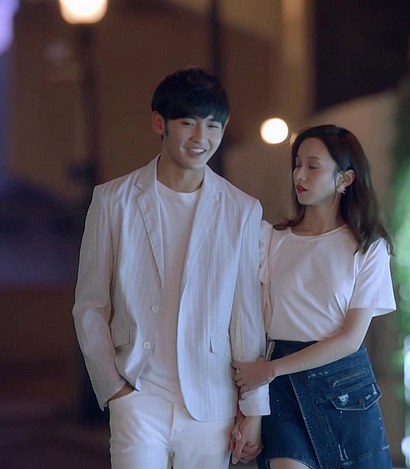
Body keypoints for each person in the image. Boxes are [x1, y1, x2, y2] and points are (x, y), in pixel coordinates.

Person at [72, 67, 268, 469]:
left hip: (211, 400)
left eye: (213, 125)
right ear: (159, 123)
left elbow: (246, 316)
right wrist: (114, 389)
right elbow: (90, 305)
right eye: (188, 123)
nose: (201, 137)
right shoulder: (112, 201)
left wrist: (253, 410)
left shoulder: (242, 209)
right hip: (138, 392)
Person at [233, 125, 397, 469]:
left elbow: (350, 339)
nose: (300, 175)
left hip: (344, 387)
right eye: (297, 164)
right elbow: (252, 322)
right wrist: (253, 409)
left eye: (313, 166)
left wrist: (270, 370)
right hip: (282, 386)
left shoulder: (367, 246)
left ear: (345, 179)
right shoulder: (271, 239)